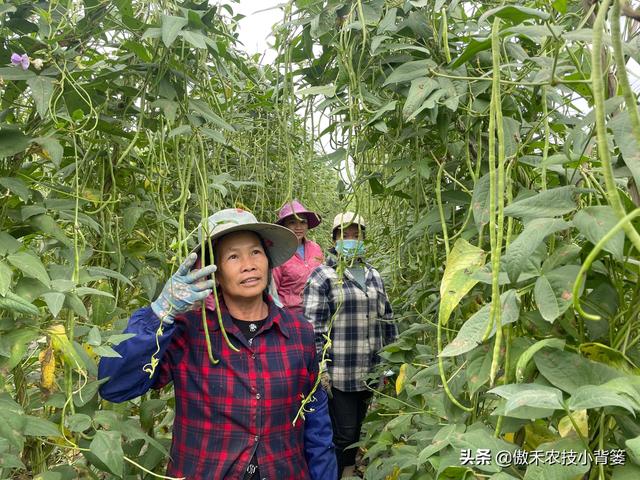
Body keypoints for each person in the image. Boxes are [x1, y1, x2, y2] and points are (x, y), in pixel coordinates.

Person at [98, 208, 337, 480]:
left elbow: (315, 418)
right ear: (215, 273)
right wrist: (159, 314)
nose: (248, 264)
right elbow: (114, 386)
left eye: (256, 252)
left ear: (269, 262)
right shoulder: (187, 333)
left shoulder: (298, 332)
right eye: (233, 256)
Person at [303, 212, 397, 479]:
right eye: (345, 234)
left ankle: (348, 468)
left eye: (356, 234)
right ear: (334, 239)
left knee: (359, 427)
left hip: (370, 370)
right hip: (340, 372)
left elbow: (387, 319)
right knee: (343, 432)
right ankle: (339, 473)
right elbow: (313, 328)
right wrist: (321, 368)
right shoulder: (322, 276)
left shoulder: (373, 275)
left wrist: (391, 360)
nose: (351, 239)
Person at [272, 200, 324, 314]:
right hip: (289, 315)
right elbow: (272, 292)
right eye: (292, 222)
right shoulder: (279, 252)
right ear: (284, 226)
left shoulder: (316, 248)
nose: (298, 227)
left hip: (317, 311)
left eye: (303, 222)